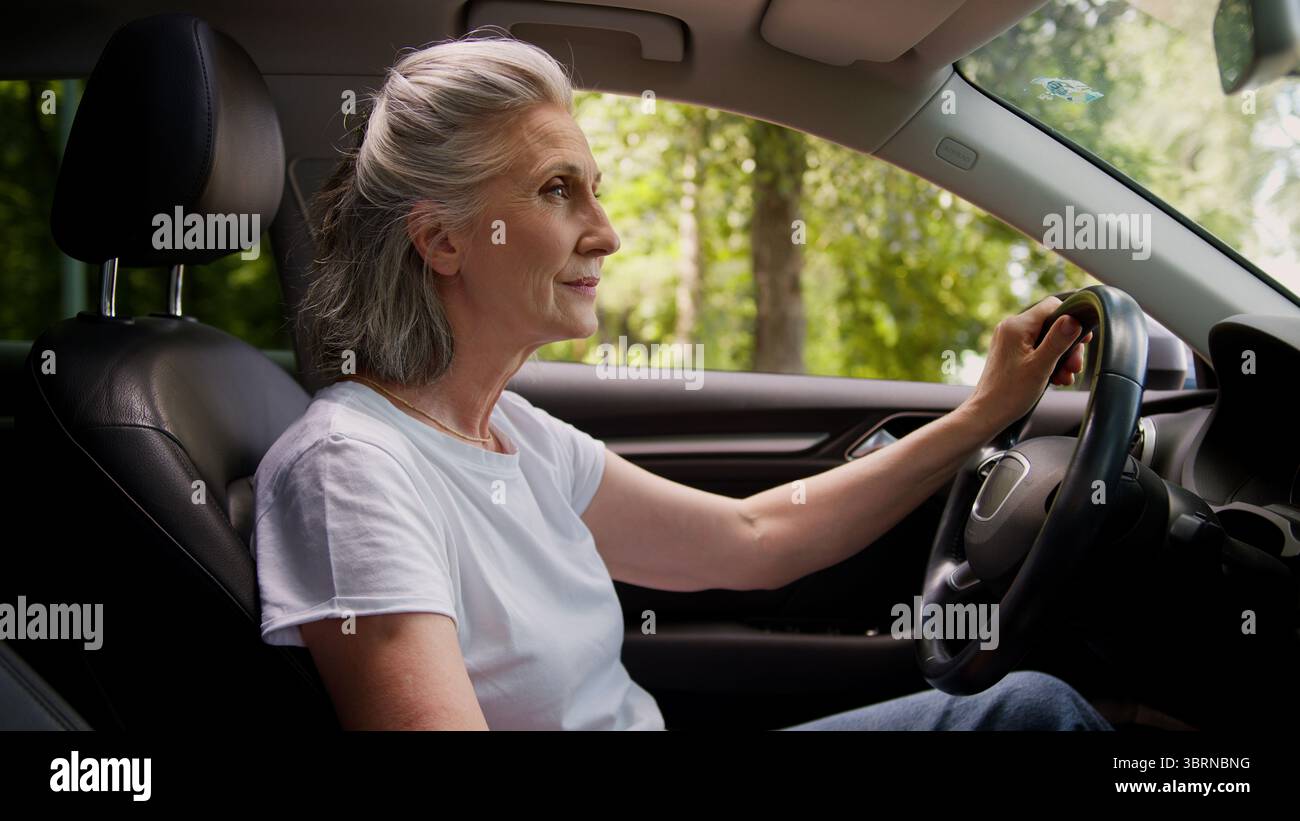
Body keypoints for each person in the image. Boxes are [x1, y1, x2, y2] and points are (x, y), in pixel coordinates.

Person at [250, 30, 1103, 731]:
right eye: (558, 192)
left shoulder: (512, 431)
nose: (607, 232)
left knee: (1031, 711)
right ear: (442, 241)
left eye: (596, 190)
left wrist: (984, 413)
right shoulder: (351, 468)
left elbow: (754, 538)